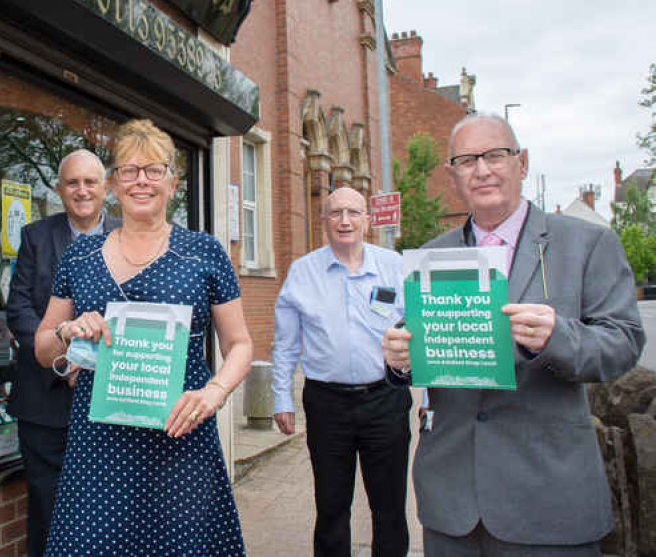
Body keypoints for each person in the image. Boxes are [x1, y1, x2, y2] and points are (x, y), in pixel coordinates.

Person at [382, 113, 645, 555]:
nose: (482, 170)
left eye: (494, 155)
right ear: (453, 176)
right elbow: (424, 349)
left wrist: (557, 336)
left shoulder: (587, 244)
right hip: (452, 504)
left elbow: (623, 343)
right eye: (467, 161)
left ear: (521, 164)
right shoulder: (430, 257)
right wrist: (398, 361)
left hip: (549, 498)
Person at [34, 118, 253, 556]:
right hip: (99, 446)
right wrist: (68, 330)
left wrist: (215, 392)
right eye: (130, 171)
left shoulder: (204, 252)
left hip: (180, 438)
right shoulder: (80, 255)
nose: (142, 181)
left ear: (173, 183)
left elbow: (240, 344)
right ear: (114, 184)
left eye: (154, 170)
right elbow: (43, 347)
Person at [272, 186, 411, 557]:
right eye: (335, 213)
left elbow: (418, 333)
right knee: (332, 508)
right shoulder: (302, 273)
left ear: (367, 220)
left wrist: (427, 397)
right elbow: (285, 344)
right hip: (326, 405)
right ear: (324, 223)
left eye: (353, 212)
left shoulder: (395, 267)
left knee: (390, 508)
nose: (344, 221)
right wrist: (281, 398)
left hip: (386, 399)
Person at [6, 149, 115, 557]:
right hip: (45, 405)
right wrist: (61, 359)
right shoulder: (36, 237)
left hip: (111, 403)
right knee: (49, 513)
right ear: (59, 189)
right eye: (73, 183)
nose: (82, 191)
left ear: (106, 188)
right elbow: (19, 308)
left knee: (107, 513)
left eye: (90, 182)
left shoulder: (130, 237)